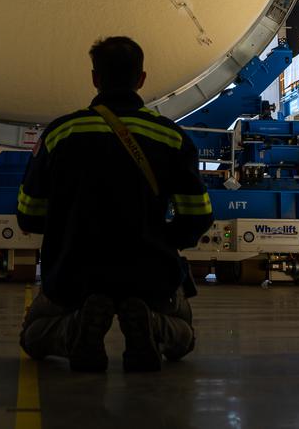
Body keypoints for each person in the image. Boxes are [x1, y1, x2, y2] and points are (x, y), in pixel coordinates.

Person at [16, 36, 214, 373]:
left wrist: (66, 233)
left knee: (33, 336)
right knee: (183, 339)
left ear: (95, 78)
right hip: (149, 272)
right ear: (141, 79)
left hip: (74, 272)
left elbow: (29, 214)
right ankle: (151, 325)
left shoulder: (60, 133)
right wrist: (160, 240)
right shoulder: (171, 137)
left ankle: (75, 328)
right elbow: (198, 217)